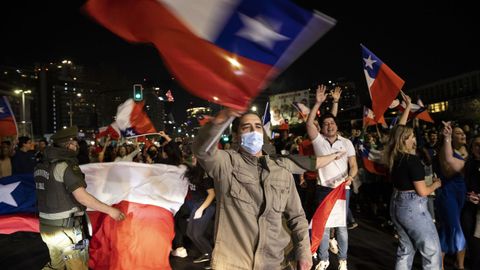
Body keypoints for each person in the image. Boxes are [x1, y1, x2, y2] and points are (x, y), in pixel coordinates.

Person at [193, 109, 312, 270]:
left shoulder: (281, 169)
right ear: (236, 136)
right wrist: (221, 120)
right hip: (233, 264)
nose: (253, 131)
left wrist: (304, 252)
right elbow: (202, 150)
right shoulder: (226, 163)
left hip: (275, 263)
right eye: (246, 127)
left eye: (257, 126)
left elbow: (297, 216)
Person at [34, 126, 125, 270]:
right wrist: (110, 211)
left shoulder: (40, 166)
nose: (76, 145)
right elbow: (82, 198)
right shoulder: (65, 166)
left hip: (46, 228)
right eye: (74, 142)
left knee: (55, 266)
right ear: (68, 144)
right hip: (66, 231)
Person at [306, 85, 357, 270]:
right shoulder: (318, 141)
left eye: (332, 123)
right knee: (324, 226)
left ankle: (343, 260)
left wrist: (350, 177)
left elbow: (354, 166)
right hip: (323, 189)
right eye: (326, 124)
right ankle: (324, 258)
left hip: (343, 189)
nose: (329, 125)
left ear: (337, 126)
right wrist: (318, 102)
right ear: (322, 128)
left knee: (341, 226)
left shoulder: (347, 143)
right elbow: (309, 124)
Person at [384, 124, 442, 270]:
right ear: (405, 140)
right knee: (432, 251)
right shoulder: (412, 160)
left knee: (406, 250)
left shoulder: (394, 157)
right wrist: (435, 185)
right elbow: (422, 191)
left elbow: (396, 131)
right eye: (412, 137)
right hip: (412, 209)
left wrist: (408, 107)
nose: (414, 139)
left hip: (396, 204)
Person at [436, 122, 468, 269]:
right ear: (451, 137)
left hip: (462, 194)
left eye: (463, 133)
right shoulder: (445, 150)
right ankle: (459, 266)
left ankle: (453, 263)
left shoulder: (468, 151)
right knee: (456, 228)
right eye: (458, 133)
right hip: (448, 193)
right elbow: (448, 172)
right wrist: (464, 165)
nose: (463, 135)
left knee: (447, 229)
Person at [462, 134, 480, 269]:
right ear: (472, 147)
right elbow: (462, 185)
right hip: (469, 208)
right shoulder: (468, 163)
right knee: (473, 245)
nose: (479, 147)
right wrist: (466, 196)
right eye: (477, 144)